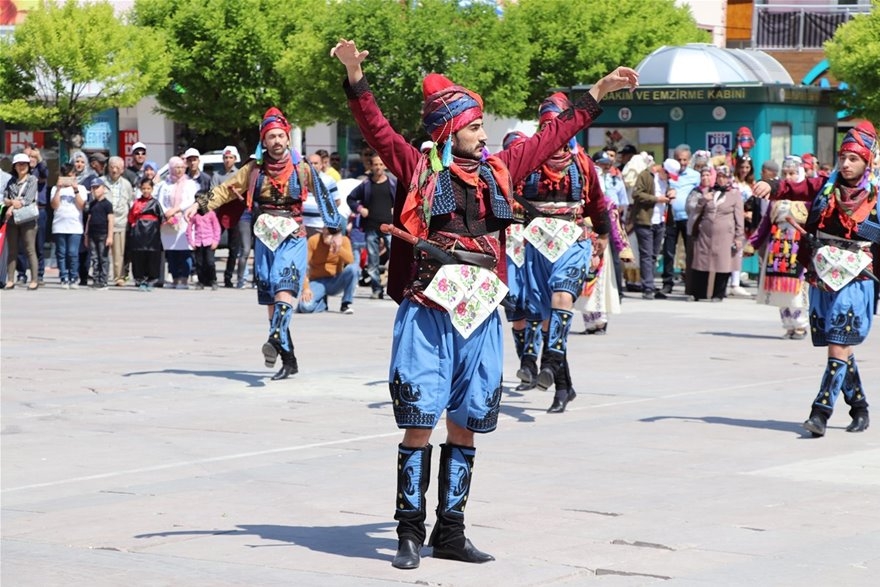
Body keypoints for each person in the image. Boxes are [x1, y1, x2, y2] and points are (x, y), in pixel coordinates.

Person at [332, 38, 637, 569]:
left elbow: (552, 134)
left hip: (480, 314)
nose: (484, 133)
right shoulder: (419, 169)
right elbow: (376, 129)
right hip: (429, 311)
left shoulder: (501, 169)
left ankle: (450, 531)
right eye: (474, 126)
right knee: (420, 418)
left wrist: (597, 92)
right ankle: (409, 531)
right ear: (450, 130)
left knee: (468, 420)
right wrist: (356, 73)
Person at [184, 107, 344, 380]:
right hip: (265, 236)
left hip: (293, 235)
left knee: (284, 286)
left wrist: (335, 229)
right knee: (271, 297)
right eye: (271, 137)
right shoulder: (253, 169)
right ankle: (288, 358)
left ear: (288, 138)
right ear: (264, 141)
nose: (277, 141)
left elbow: (324, 194)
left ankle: (275, 336)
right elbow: (224, 190)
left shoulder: (301, 167)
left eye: (281, 135)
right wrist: (198, 206)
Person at [754, 121, 878, 437]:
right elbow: (794, 187)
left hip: (858, 277)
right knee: (841, 343)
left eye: (854, 159)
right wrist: (771, 184)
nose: (846, 164)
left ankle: (819, 413)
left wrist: (865, 230)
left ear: (868, 161)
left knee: (838, 342)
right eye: (843, 157)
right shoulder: (825, 185)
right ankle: (860, 407)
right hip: (823, 275)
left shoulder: (876, 194)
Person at [519, 93, 611, 414]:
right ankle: (563, 386)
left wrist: (602, 234)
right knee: (547, 318)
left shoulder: (582, 163)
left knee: (562, 298)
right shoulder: (527, 159)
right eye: (546, 128)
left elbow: (598, 203)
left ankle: (550, 360)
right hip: (537, 241)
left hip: (573, 237)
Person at [688, 164, 745, 301]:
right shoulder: (708, 191)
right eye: (719, 176)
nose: (721, 180)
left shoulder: (734, 194)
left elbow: (739, 217)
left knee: (723, 263)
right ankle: (699, 293)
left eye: (724, 177)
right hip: (705, 233)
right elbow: (695, 210)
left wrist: (738, 236)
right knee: (702, 262)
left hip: (725, 235)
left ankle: (718, 294)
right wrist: (703, 200)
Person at [346, 152, 397, 299]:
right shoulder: (366, 185)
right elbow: (351, 199)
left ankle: (395, 289)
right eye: (375, 164)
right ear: (371, 166)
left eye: (381, 164)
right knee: (373, 261)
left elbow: (405, 198)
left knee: (395, 258)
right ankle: (376, 289)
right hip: (371, 227)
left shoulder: (392, 183)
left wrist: (396, 208)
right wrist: (360, 209)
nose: (378, 167)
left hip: (390, 227)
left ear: (385, 166)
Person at [631, 159, 678, 299]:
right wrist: (657, 199)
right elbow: (637, 194)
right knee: (646, 255)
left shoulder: (666, 181)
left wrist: (671, 192)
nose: (669, 178)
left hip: (660, 221)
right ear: (663, 170)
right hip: (645, 221)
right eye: (668, 175)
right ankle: (647, 288)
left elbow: (667, 191)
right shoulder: (646, 175)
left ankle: (649, 284)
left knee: (653, 256)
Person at [661, 144, 701, 295]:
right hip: (671, 217)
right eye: (679, 159)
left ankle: (690, 283)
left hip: (688, 218)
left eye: (685, 159)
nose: (682, 162)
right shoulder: (668, 173)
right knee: (669, 251)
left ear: (689, 160)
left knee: (690, 252)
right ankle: (667, 282)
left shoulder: (695, 176)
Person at [156, 156, 197, 289]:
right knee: (172, 251)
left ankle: (184, 279)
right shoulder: (165, 184)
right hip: (169, 221)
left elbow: (190, 200)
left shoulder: (190, 183)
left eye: (181, 167)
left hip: (184, 220)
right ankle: (175, 278)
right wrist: (167, 213)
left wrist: (176, 210)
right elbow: (161, 200)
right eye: (176, 168)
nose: (179, 170)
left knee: (184, 251)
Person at [296, 230, 358, 314]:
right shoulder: (313, 240)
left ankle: (345, 304)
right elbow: (303, 265)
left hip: (335, 280)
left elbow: (350, 260)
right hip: (317, 281)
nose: (327, 235)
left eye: (331, 233)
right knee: (304, 307)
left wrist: (337, 247)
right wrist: (306, 288)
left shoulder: (344, 240)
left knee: (353, 268)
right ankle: (322, 304)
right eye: (326, 232)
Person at [3, 153, 40, 290]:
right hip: (13, 219)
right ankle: (11, 279)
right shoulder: (11, 181)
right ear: (15, 166)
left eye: (24, 164)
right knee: (12, 250)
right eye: (19, 164)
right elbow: (5, 199)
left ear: (28, 166)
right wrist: (11, 203)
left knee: (30, 249)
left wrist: (11, 205)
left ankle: (34, 280)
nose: (22, 166)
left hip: (28, 219)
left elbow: (27, 200)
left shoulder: (32, 180)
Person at [50, 164, 87, 289]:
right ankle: (63, 277)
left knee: (73, 253)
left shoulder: (81, 188)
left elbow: (81, 205)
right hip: (59, 225)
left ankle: (73, 277)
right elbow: (54, 206)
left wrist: (75, 189)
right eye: (65, 176)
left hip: (75, 225)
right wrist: (58, 189)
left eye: (70, 175)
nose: (68, 178)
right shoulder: (55, 189)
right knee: (61, 253)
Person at [212, 146, 242, 287]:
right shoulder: (217, 175)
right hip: (219, 213)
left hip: (236, 215)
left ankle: (228, 278)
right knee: (212, 244)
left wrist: (235, 193)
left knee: (233, 248)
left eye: (230, 157)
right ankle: (211, 277)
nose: (228, 160)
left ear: (235, 159)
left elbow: (243, 196)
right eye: (225, 157)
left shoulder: (240, 174)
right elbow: (214, 194)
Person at [128, 176, 164, 291]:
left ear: (152, 189)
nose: (146, 191)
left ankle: (152, 279)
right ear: (140, 189)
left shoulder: (155, 203)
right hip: (139, 232)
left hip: (152, 233)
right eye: (143, 188)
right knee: (139, 255)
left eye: (148, 188)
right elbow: (131, 217)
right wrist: (134, 225)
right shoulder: (137, 203)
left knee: (152, 255)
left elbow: (161, 218)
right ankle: (140, 279)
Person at [104, 156, 134, 286]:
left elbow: (130, 202)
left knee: (119, 253)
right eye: (112, 167)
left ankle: (119, 276)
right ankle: (101, 276)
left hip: (120, 221)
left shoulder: (126, 184)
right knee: (102, 252)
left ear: (122, 170)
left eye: (117, 168)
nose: (114, 170)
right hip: (103, 222)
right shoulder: (101, 181)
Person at [84, 178, 114, 290]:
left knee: (103, 258)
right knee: (94, 258)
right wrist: (86, 235)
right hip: (92, 234)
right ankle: (96, 279)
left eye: (97, 187)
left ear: (104, 189)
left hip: (103, 234)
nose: (95, 190)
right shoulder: (92, 204)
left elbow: (111, 220)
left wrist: (110, 236)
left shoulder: (107, 204)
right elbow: (89, 219)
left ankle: (103, 280)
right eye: (93, 188)